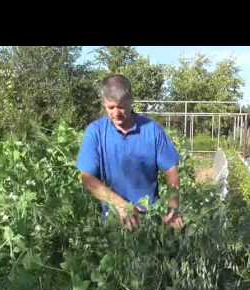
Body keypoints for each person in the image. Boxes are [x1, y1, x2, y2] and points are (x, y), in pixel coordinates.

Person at [76, 74, 184, 231]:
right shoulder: (96, 132)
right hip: (114, 221)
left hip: (151, 221)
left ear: (131, 102)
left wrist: (173, 207)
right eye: (110, 107)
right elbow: (87, 178)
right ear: (104, 104)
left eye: (121, 107)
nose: (116, 113)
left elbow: (171, 171)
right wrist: (121, 205)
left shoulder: (152, 130)